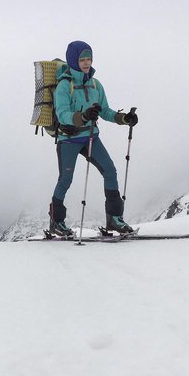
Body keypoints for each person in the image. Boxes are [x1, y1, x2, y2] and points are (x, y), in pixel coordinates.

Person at [49, 40, 138, 236]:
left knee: (110, 171)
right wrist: (82, 116)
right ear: (73, 60)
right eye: (82, 59)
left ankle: (114, 219)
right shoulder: (65, 85)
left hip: (90, 137)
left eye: (89, 58)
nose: (86, 62)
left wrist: (123, 118)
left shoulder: (96, 84)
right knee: (66, 179)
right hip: (68, 139)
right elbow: (62, 113)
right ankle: (56, 221)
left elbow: (104, 110)